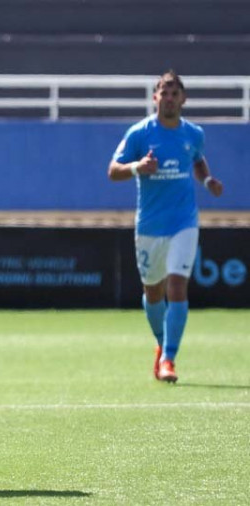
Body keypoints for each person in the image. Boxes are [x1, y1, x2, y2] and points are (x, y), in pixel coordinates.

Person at [108, 70, 224, 383]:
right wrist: (138, 167)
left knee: (177, 286)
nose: (169, 98)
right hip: (149, 225)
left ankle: (169, 358)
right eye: (164, 92)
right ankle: (161, 345)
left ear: (183, 99)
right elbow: (113, 171)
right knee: (153, 292)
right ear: (155, 97)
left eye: (175, 92)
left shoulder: (193, 134)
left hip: (184, 222)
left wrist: (207, 179)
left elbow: (197, 160)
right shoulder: (139, 133)